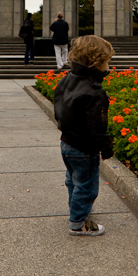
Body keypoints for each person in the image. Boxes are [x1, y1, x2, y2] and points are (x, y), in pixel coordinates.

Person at [53, 35, 115, 236]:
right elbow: (98, 125)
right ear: (96, 62)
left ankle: (77, 209)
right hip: (84, 147)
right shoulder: (94, 91)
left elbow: (59, 107)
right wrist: (105, 147)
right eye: (107, 61)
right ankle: (78, 223)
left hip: (67, 143)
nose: (109, 66)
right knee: (87, 185)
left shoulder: (67, 79)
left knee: (73, 180)